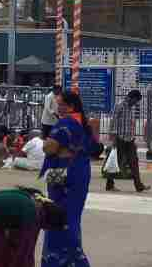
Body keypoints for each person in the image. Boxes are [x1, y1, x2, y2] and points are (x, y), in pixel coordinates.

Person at [40, 90, 100, 267]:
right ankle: (72, 261)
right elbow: (94, 148)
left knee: (58, 217)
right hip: (80, 172)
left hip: (63, 174)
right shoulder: (84, 122)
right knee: (73, 217)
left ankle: (65, 260)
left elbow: (48, 148)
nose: (58, 108)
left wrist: (51, 146)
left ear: (71, 106)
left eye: (61, 105)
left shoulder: (66, 122)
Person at [106, 90, 148, 192]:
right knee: (117, 161)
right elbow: (114, 121)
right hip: (120, 139)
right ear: (132, 98)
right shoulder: (120, 105)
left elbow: (129, 124)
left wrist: (133, 138)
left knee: (134, 162)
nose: (136, 103)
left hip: (129, 139)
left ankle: (139, 185)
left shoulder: (130, 108)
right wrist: (114, 138)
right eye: (136, 100)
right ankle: (109, 184)